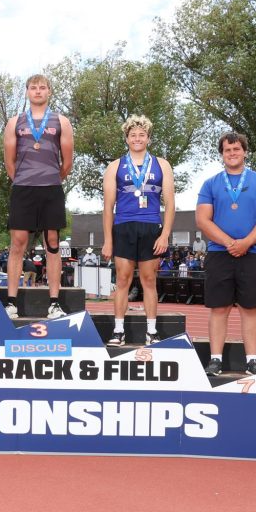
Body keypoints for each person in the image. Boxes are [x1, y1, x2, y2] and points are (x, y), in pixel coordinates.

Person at [195, 132, 256, 376]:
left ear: (245, 152)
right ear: (222, 154)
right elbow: (202, 219)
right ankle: (216, 360)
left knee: (250, 307)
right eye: (228, 149)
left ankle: (252, 360)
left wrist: (247, 242)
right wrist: (231, 242)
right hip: (220, 253)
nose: (232, 153)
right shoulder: (210, 183)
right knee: (219, 308)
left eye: (237, 149)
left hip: (252, 253)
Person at [2, 74, 75, 319]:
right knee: (17, 244)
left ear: (49, 92)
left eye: (42, 87)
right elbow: (9, 161)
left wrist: (51, 179)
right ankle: (11, 302)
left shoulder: (61, 121)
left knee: (52, 244)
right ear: (27, 92)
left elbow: (67, 162)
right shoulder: (15, 122)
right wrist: (23, 180)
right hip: (23, 188)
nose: (38, 91)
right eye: (33, 87)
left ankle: (54, 303)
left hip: (51, 188)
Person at [101, 115, 176, 346]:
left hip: (151, 226)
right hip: (123, 226)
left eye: (141, 135)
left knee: (149, 280)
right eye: (133, 135)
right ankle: (118, 330)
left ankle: (151, 331)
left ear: (148, 139)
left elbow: (171, 204)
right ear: (126, 139)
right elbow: (108, 206)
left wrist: (165, 235)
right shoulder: (115, 166)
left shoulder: (162, 165)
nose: (137, 138)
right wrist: (107, 240)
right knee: (122, 280)